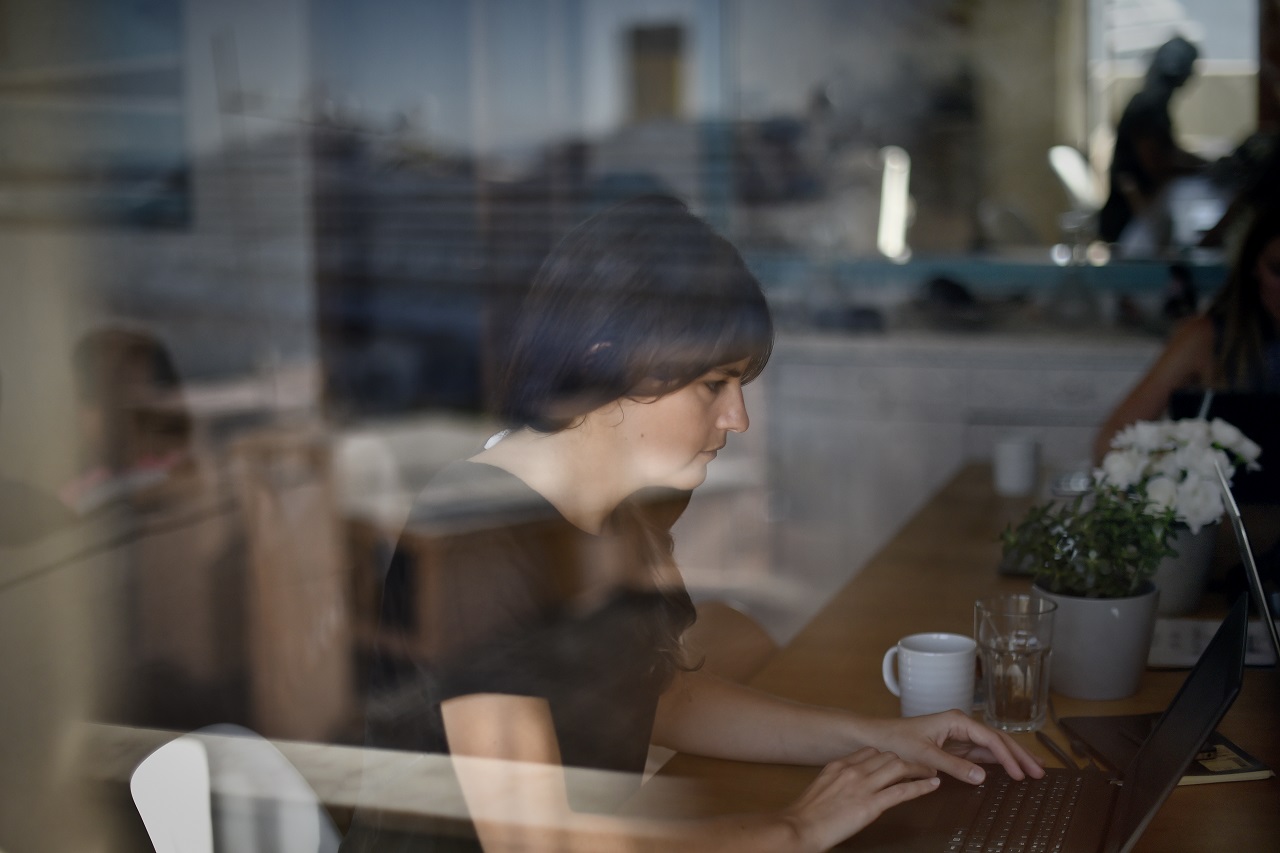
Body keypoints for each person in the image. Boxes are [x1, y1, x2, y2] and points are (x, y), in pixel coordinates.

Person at [342, 196, 1042, 852]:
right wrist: (793, 828)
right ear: (603, 365)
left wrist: (882, 737)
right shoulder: (481, 544)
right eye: (713, 384)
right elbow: (536, 844)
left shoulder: (627, 508)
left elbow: (658, 694)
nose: (738, 418)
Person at [1094, 204, 1280, 463]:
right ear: (1253, 266)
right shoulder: (1206, 338)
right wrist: (1180, 471)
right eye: (1278, 270)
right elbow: (1109, 444)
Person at [1098, 36, 1205, 246]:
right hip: (1130, 223)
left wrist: (1203, 162)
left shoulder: (1154, 104)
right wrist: (1203, 169)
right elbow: (1156, 164)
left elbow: (1169, 152)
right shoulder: (1148, 107)